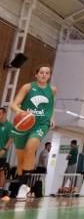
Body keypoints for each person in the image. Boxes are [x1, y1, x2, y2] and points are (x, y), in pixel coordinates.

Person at [8, 65, 56, 198]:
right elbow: (13, 105)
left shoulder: (52, 90)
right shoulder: (27, 87)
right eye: (41, 72)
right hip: (23, 124)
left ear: (49, 76)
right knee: (21, 160)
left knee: (30, 148)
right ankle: (20, 184)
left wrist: (52, 118)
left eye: (47, 73)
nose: (44, 75)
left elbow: (52, 106)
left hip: (41, 124)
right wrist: (23, 113)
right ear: (36, 74)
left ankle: (24, 186)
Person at [0, 108, 12, 192]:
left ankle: (0, 191)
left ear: (4, 114)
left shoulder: (9, 126)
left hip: (2, 153)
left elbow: (11, 139)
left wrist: (4, 149)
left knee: (1, 172)